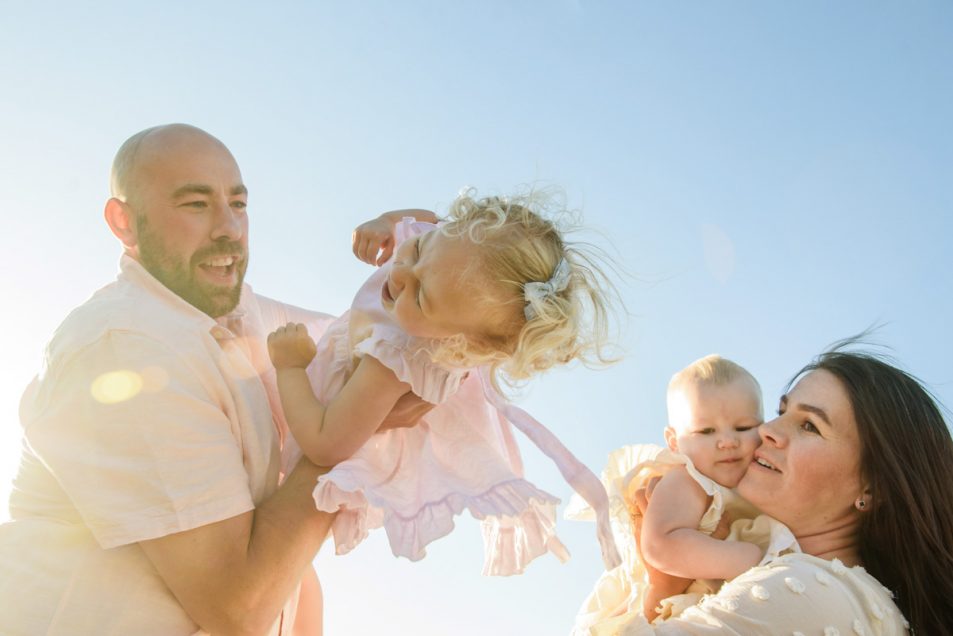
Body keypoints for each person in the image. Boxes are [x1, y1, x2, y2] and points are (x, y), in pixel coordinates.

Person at [0, 124, 425, 635]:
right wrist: (353, 427)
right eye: (196, 204)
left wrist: (414, 236)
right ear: (125, 222)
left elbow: (397, 327)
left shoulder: (237, 318)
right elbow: (237, 607)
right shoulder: (127, 346)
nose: (229, 229)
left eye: (239, 205)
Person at [267, 192, 623, 575]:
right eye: (418, 249)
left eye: (420, 296)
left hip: (321, 408)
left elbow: (324, 443)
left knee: (266, 503)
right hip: (341, 351)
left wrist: (290, 367)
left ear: (455, 345)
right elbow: (426, 222)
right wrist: (388, 221)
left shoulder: (397, 356)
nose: (400, 272)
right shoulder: (448, 253)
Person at [587, 347, 953, 635]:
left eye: (809, 425)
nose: (767, 430)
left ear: (871, 488)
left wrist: (662, 585)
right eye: (781, 411)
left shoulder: (809, 592)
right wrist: (666, 586)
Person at [568, 355, 766, 632]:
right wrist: (746, 558)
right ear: (674, 442)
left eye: (744, 428)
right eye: (706, 431)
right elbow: (660, 545)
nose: (727, 442)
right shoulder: (687, 479)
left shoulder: (752, 480)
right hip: (666, 607)